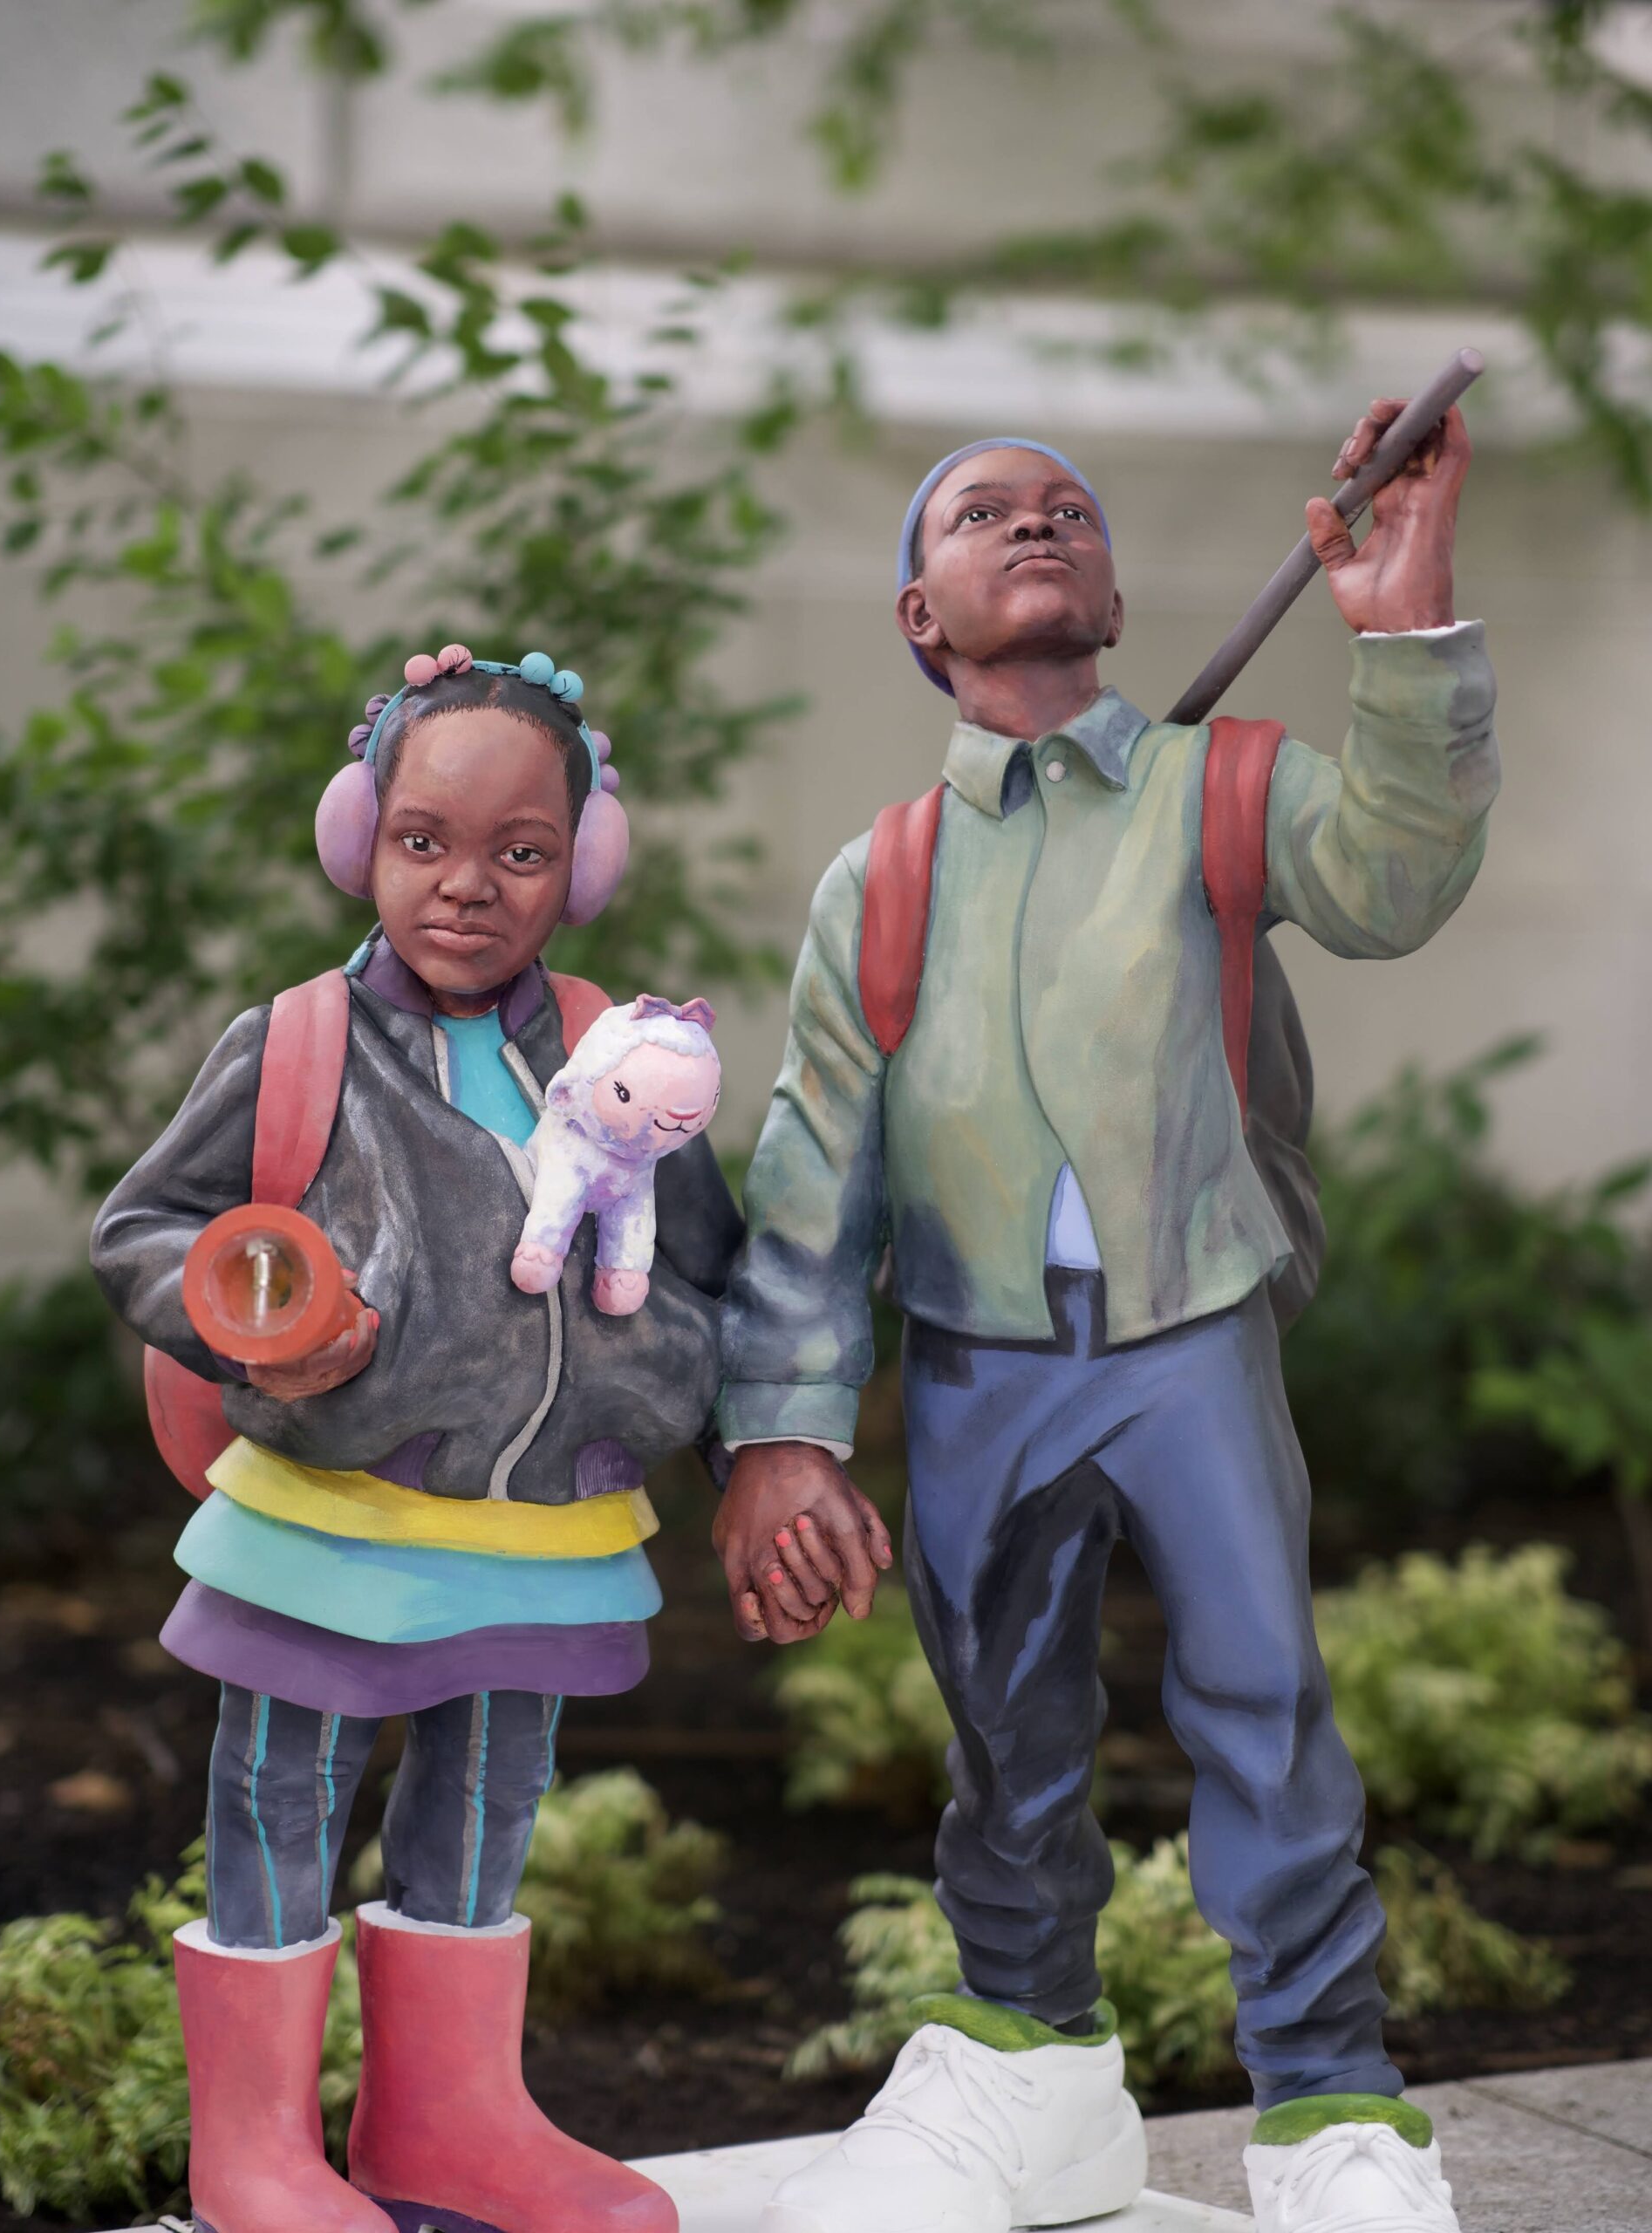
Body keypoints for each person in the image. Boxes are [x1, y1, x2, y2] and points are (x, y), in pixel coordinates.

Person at [714, 406, 1497, 2233]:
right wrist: (781, 1427)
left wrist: (1402, 630)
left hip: (1188, 1330)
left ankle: (1329, 2109)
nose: (1037, 521)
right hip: (982, 1351)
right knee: (1000, 1712)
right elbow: (816, 1162)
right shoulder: (883, 876)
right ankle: (1029, 2057)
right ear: (923, 611)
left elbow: (1395, 872)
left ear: (1121, 592)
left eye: (1068, 508)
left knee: (1261, 1695)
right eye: (987, 513)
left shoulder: (1218, 789)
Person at [92, 644, 741, 2233]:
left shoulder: (623, 1050)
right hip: (334, 1512)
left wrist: (710, 1417)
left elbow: (715, 1261)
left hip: (547, 1525)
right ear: (360, 842)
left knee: (489, 1793)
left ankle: (447, 2122)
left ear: (582, 865)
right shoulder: (296, 1042)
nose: (468, 888)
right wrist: (262, 1315)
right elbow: (145, 1230)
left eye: (523, 853)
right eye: (424, 843)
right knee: (282, 1789)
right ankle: (255, 2146)